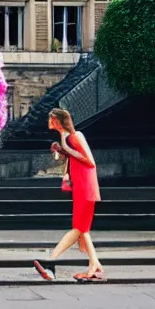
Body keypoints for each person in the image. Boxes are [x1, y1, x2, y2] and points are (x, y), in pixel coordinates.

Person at [34, 108, 105, 282]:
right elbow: (70, 159)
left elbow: (89, 160)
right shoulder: (66, 138)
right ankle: (94, 265)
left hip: (86, 186)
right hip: (81, 186)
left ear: (59, 120)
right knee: (82, 230)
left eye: (52, 119)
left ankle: (51, 261)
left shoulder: (76, 136)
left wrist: (65, 148)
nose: (49, 122)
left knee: (78, 229)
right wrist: (63, 151)